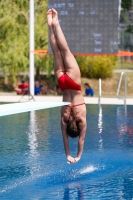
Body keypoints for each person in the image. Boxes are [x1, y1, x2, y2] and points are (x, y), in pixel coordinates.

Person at [47, 8, 87, 164]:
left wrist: (78, 156)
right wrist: (67, 156)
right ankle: (50, 25)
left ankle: (56, 23)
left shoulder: (81, 119)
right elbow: (64, 138)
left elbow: (81, 141)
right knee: (56, 52)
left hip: (74, 83)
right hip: (63, 83)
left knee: (65, 50)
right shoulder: (64, 119)